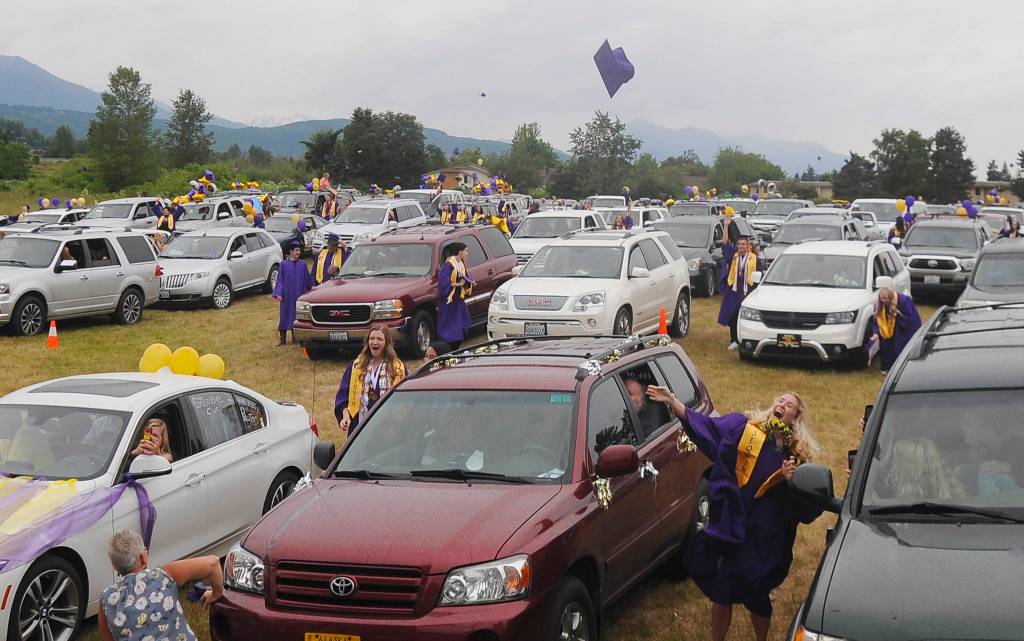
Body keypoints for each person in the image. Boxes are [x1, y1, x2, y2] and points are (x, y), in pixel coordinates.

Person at [645, 387, 823, 641]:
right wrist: (673, 401)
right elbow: (708, 429)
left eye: (790, 404)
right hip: (733, 527)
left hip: (764, 537)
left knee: (757, 595)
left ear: (794, 417)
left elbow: (805, 505)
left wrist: (790, 480)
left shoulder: (795, 457)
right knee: (723, 591)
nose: (782, 403)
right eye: (780, 399)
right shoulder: (744, 429)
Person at [98, 530, 222, 641]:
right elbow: (213, 563)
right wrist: (216, 594)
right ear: (143, 558)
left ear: (114, 567)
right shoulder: (164, 576)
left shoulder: (106, 599)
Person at [334, 325, 407, 436]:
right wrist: (345, 416)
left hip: (388, 428)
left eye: (379, 339)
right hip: (359, 424)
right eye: (372, 338)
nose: (374, 342)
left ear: (387, 343)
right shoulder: (357, 366)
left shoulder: (397, 368)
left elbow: (404, 401)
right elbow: (344, 395)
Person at [718, 220, 761, 350]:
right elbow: (724, 243)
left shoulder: (755, 259)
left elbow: (759, 276)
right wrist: (726, 226)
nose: (741, 246)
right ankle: (734, 340)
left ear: (748, 246)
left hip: (747, 291)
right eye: (739, 244)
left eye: (743, 244)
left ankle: (745, 339)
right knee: (733, 315)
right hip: (734, 290)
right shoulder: (734, 256)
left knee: (744, 317)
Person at [869, 287, 922, 374]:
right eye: (882, 299)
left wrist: (898, 315)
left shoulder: (904, 301)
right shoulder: (879, 305)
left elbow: (911, 319)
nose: (884, 301)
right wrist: (875, 333)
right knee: (885, 345)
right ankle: (887, 367)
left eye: (886, 299)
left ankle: (900, 368)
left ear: (890, 297)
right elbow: (876, 320)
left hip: (903, 327)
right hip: (886, 329)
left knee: (899, 345)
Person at [272, 242, 313, 346]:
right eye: (296, 250)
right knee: (285, 315)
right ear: (290, 251)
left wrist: (310, 289)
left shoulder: (302, 265)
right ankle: (282, 339)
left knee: (297, 316)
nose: (298, 253)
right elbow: (280, 280)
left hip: (298, 294)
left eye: (299, 250)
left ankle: (296, 338)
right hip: (287, 295)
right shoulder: (284, 265)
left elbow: (307, 280)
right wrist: (279, 293)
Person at [437, 242, 474, 348]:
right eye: (465, 251)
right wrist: (458, 284)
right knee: (450, 321)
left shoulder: (461, 264)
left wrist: (468, 282)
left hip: (459, 298)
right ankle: (448, 341)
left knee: (461, 320)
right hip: (450, 298)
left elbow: (466, 277)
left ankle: (457, 340)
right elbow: (444, 281)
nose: (467, 253)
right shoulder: (449, 264)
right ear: (460, 252)